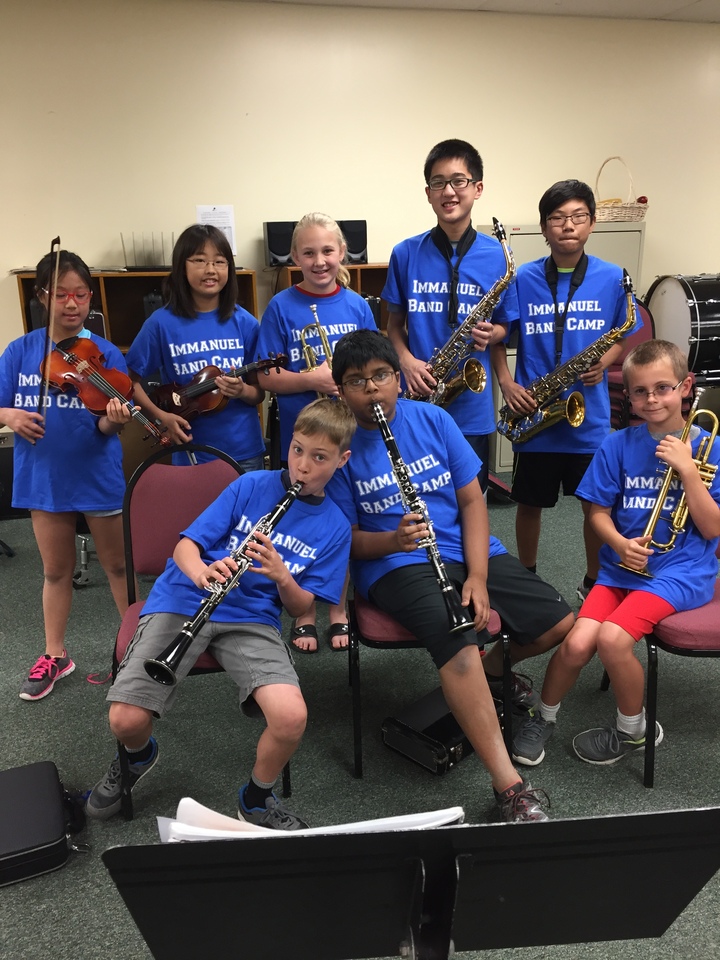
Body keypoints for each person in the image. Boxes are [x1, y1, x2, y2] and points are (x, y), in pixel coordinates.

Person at [326, 330, 575, 823]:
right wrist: (392, 540)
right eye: (357, 382)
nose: (372, 390)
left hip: (464, 548)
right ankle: (510, 786)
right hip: (395, 563)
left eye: (380, 376)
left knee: (559, 623)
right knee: (459, 635)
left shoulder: (435, 418)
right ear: (340, 391)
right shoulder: (336, 446)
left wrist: (478, 576)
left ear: (397, 379)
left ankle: (485, 674)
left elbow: (471, 501)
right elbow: (342, 539)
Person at [85, 398, 354, 828]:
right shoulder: (250, 487)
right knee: (125, 719)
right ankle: (138, 756)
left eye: (319, 457)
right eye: (297, 450)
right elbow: (184, 547)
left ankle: (255, 797)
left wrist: (282, 576)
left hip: (251, 616)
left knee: (291, 717)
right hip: (184, 599)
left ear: (342, 460)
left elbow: (303, 607)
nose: (302, 466)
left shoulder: (336, 526)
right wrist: (202, 573)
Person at [511, 340, 720, 769]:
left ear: (686, 387)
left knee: (610, 638)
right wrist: (620, 545)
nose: (651, 400)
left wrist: (686, 469)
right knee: (575, 644)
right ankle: (543, 717)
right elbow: (597, 513)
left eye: (663, 388)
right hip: (622, 569)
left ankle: (635, 730)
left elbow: (712, 527)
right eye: (640, 392)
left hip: (680, 573)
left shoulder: (709, 447)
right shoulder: (617, 445)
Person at [0, 250, 132, 701]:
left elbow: (103, 425)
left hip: (96, 474)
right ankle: (55, 655)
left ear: (89, 297)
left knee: (117, 566)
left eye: (79, 294)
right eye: (60, 294)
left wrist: (116, 418)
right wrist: (10, 417)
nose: (71, 303)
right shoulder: (19, 351)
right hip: (43, 477)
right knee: (55, 571)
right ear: (42, 297)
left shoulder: (105, 353)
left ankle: (135, 646)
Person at [491, 179, 632, 600]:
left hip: (588, 418)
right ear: (543, 226)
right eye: (557, 218)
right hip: (537, 412)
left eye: (577, 217)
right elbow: (499, 336)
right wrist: (506, 382)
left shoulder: (611, 278)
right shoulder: (524, 278)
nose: (567, 226)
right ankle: (530, 577)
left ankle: (593, 582)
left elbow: (623, 335)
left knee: (595, 508)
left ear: (591, 223)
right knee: (529, 503)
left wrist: (604, 363)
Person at [257, 212, 377, 653]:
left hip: (349, 439)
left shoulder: (357, 305)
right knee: (304, 521)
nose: (319, 260)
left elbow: (370, 371)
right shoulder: (281, 307)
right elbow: (267, 379)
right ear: (294, 257)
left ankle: (339, 608)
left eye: (328, 251)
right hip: (304, 440)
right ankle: (304, 612)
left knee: (344, 522)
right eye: (309, 252)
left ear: (342, 253)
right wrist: (313, 380)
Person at [383, 138, 519, 494]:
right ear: (428, 193)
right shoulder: (405, 253)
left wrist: (495, 334)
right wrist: (408, 362)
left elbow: (508, 327)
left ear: (477, 188)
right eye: (439, 182)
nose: (449, 191)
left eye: (459, 181)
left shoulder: (499, 257)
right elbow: (393, 327)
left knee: (471, 500)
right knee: (418, 501)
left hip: (473, 407)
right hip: (417, 397)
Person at [126, 224, 266, 467]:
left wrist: (242, 391)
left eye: (220, 262)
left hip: (244, 453)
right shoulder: (161, 323)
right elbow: (128, 381)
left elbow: (258, 393)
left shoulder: (245, 322)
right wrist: (161, 417)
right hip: (192, 452)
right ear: (182, 267)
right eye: (199, 260)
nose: (210, 270)